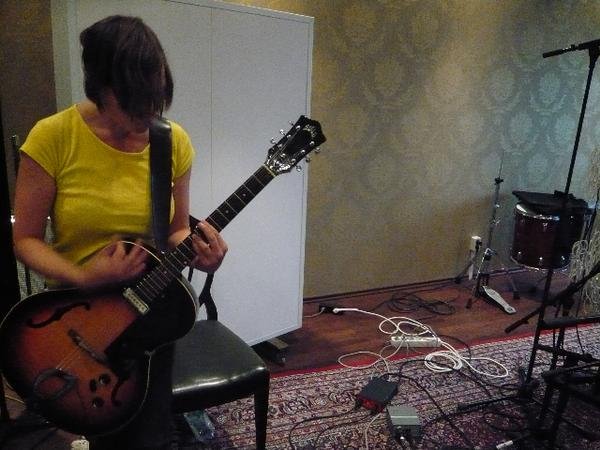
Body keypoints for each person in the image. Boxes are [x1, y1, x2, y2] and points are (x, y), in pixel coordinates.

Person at [12, 15, 227, 449]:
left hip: (149, 312)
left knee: (149, 434)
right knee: (101, 433)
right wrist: (83, 276)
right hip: (77, 316)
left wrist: (203, 253)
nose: (146, 116)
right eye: (132, 104)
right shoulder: (52, 137)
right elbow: (25, 240)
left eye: (155, 102)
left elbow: (175, 231)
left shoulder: (173, 142)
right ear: (99, 87)